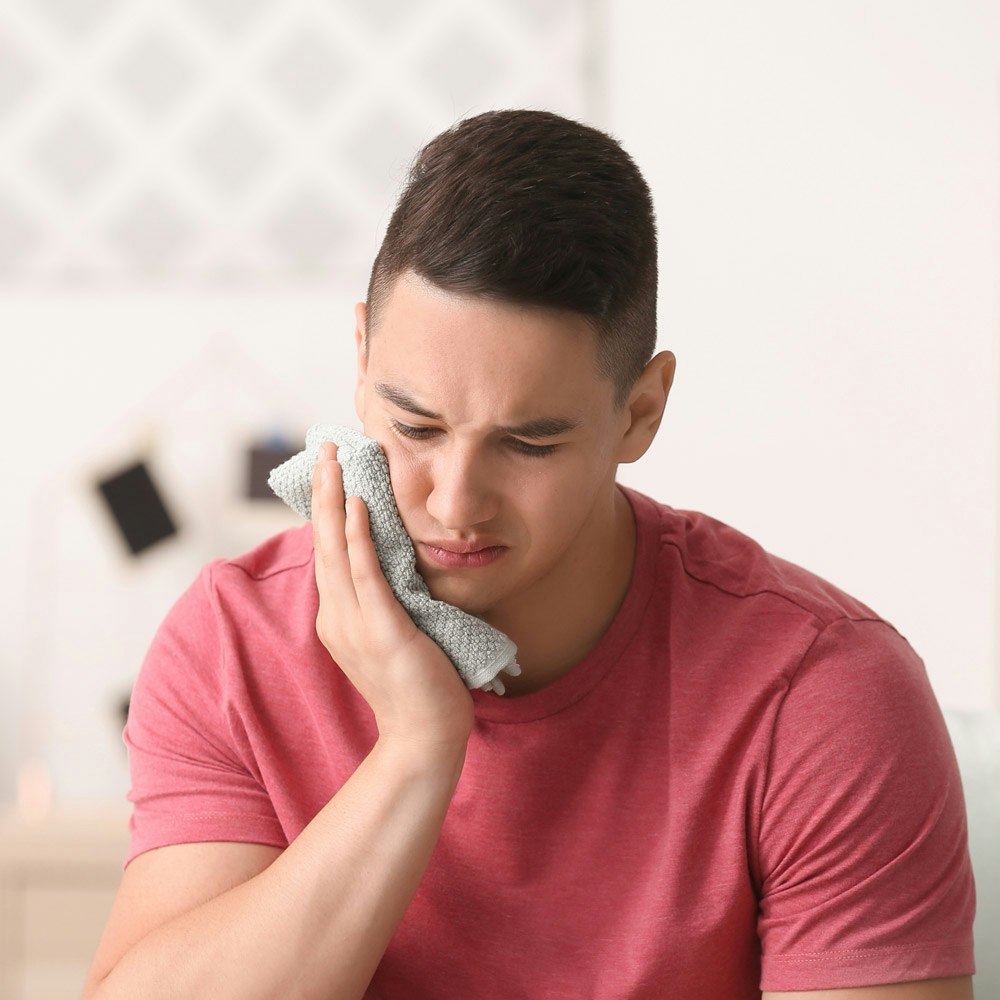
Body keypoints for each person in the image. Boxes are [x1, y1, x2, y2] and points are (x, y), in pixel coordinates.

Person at [83, 110, 975, 999]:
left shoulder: (820, 695)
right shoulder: (236, 640)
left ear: (640, 412)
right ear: (359, 359)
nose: (455, 501)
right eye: (416, 426)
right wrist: (417, 748)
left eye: (530, 444)